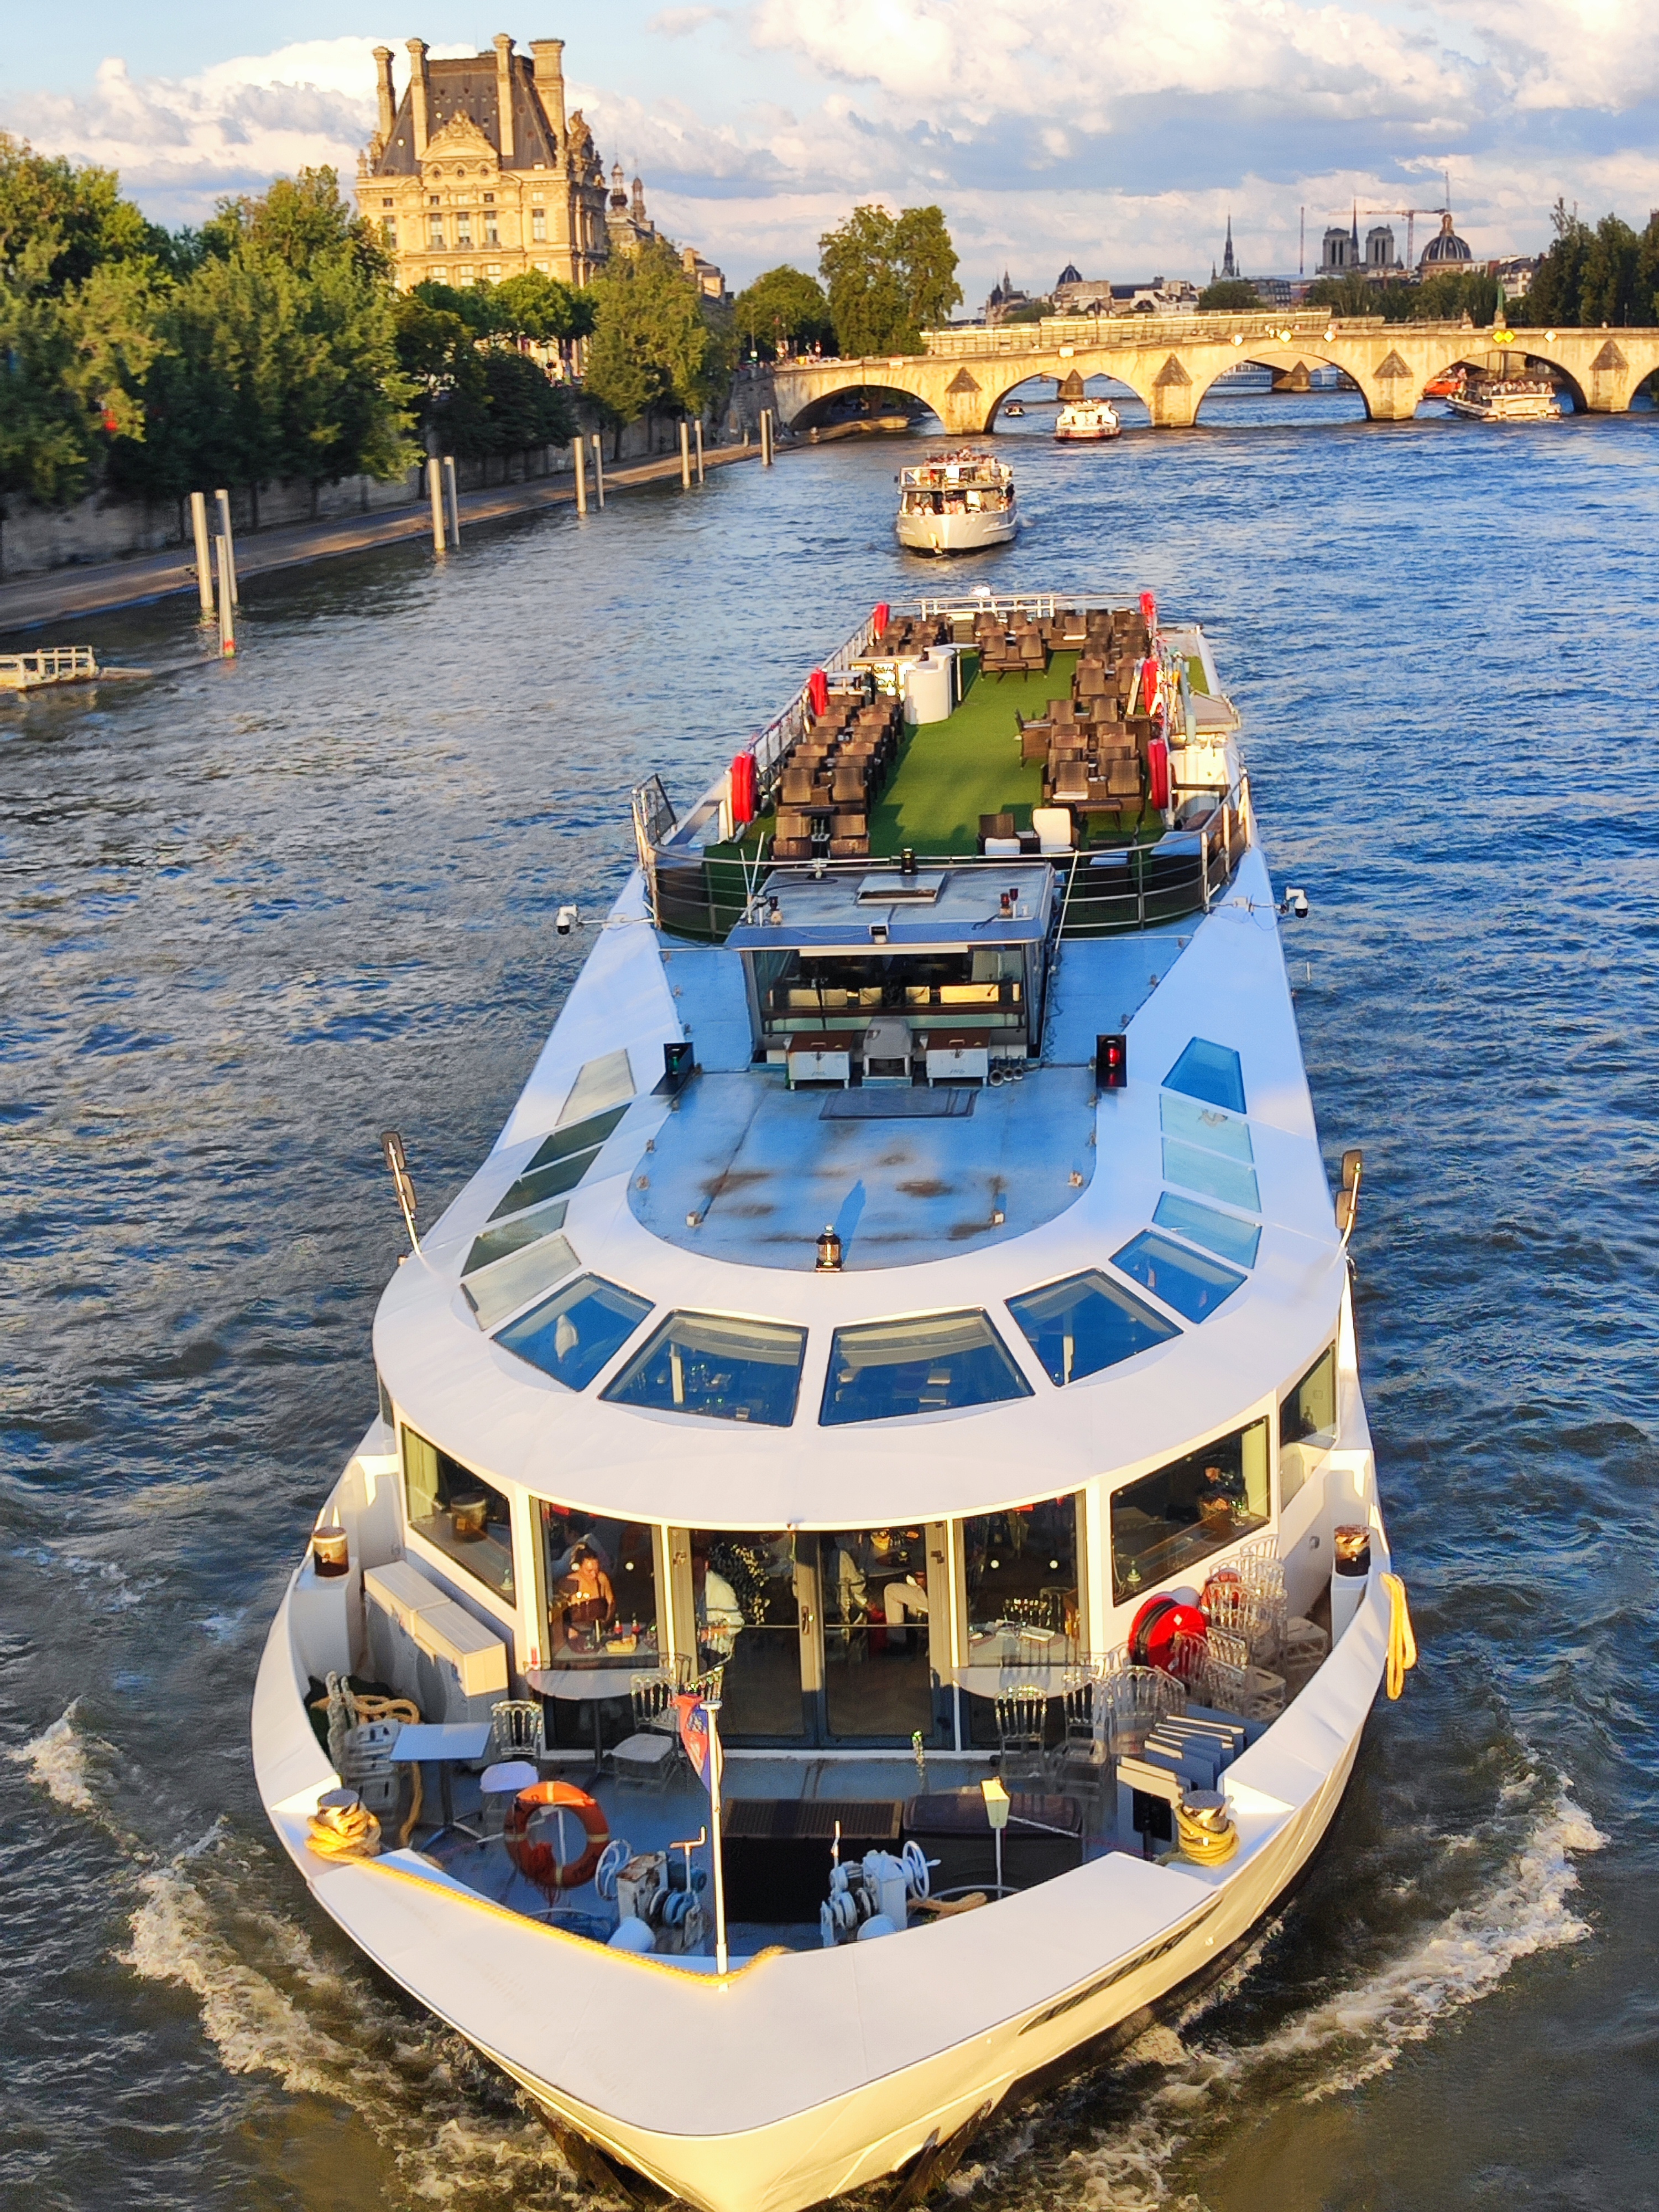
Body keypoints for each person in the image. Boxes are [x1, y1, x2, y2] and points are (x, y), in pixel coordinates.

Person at [551, 1542, 614, 1652]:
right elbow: (557, 1614)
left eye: (596, 1570)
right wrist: (567, 1630)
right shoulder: (568, 1583)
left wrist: (607, 1622)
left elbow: (611, 1603)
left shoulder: (601, 1579)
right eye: (589, 1571)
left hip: (599, 1635)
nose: (594, 1575)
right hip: (577, 1638)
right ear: (579, 1567)